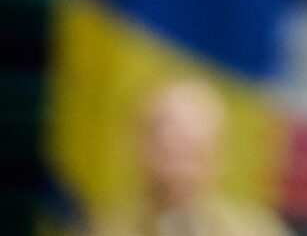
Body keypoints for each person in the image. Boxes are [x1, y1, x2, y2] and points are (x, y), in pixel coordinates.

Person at [93, 78, 289, 236]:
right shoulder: (110, 229)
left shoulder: (255, 229)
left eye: (194, 151)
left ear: (221, 156)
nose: (181, 168)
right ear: (138, 146)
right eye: (168, 148)